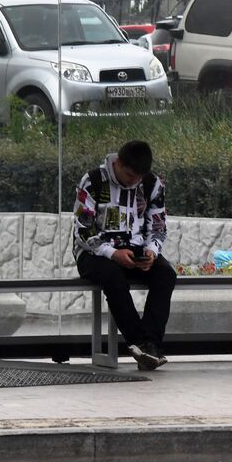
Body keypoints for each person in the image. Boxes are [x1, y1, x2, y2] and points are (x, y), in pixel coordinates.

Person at [73, 140, 174, 371]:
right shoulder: (92, 181)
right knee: (112, 277)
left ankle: (148, 346)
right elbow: (82, 229)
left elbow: (158, 227)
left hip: (136, 248)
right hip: (93, 251)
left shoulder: (152, 184)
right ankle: (143, 344)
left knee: (166, 275)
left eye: (139, 177)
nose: (134, 182)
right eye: (129, 175)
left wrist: (152, 250)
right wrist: (112, 253)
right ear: (118, 163)